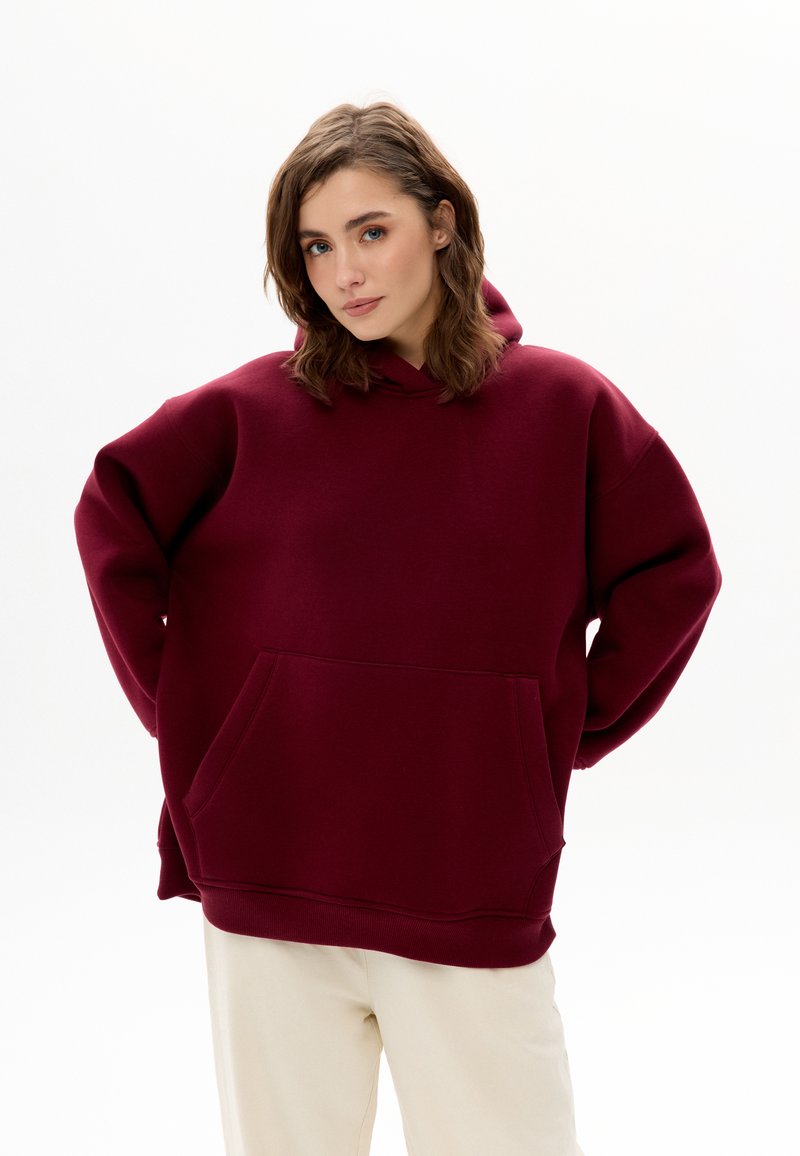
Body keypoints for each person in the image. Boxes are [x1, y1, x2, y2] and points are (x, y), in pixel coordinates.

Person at [73, 101, 722, 1155]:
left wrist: (556, 727)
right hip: (272, 878)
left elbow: (674, 569)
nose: (344, 272)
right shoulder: (249, 412)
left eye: (369, 231)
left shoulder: (563, 407)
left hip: (469, 878)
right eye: (315, 247)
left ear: (442, 222)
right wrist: (205, 724)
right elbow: (114, 513)